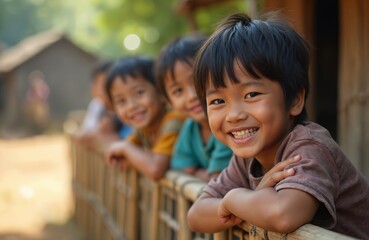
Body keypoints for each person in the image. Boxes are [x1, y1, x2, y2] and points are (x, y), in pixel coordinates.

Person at [187, 12, 369, 239]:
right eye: (217, 101)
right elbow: (196, 215)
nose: (233, 115)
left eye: (251, 94)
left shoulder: (309, 147)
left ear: (294, 100)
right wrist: (245, 200)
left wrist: (234, 199)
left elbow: (283, 214)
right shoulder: (245, 158)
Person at [155, 35, 233, 182]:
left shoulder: (229, 123)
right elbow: (181, 167)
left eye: (197, 81)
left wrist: (197, 172)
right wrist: (204, 174)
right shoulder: (190, 128)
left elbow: (218, 180)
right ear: (169, 102)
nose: (191, 96)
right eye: (178, 91)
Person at [104, 56, 185, 181]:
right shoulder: (143, 129)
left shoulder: (173, 121)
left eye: (139, 93)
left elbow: (155, 169)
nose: (131, 106)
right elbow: (124, 157)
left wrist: (125, 148)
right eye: (121, 101)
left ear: (160, 92)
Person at [75, 61, 133, 149]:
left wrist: (98, 134)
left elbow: (128, 143)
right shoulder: (101, 109)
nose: (108, 89)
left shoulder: (128, 111)